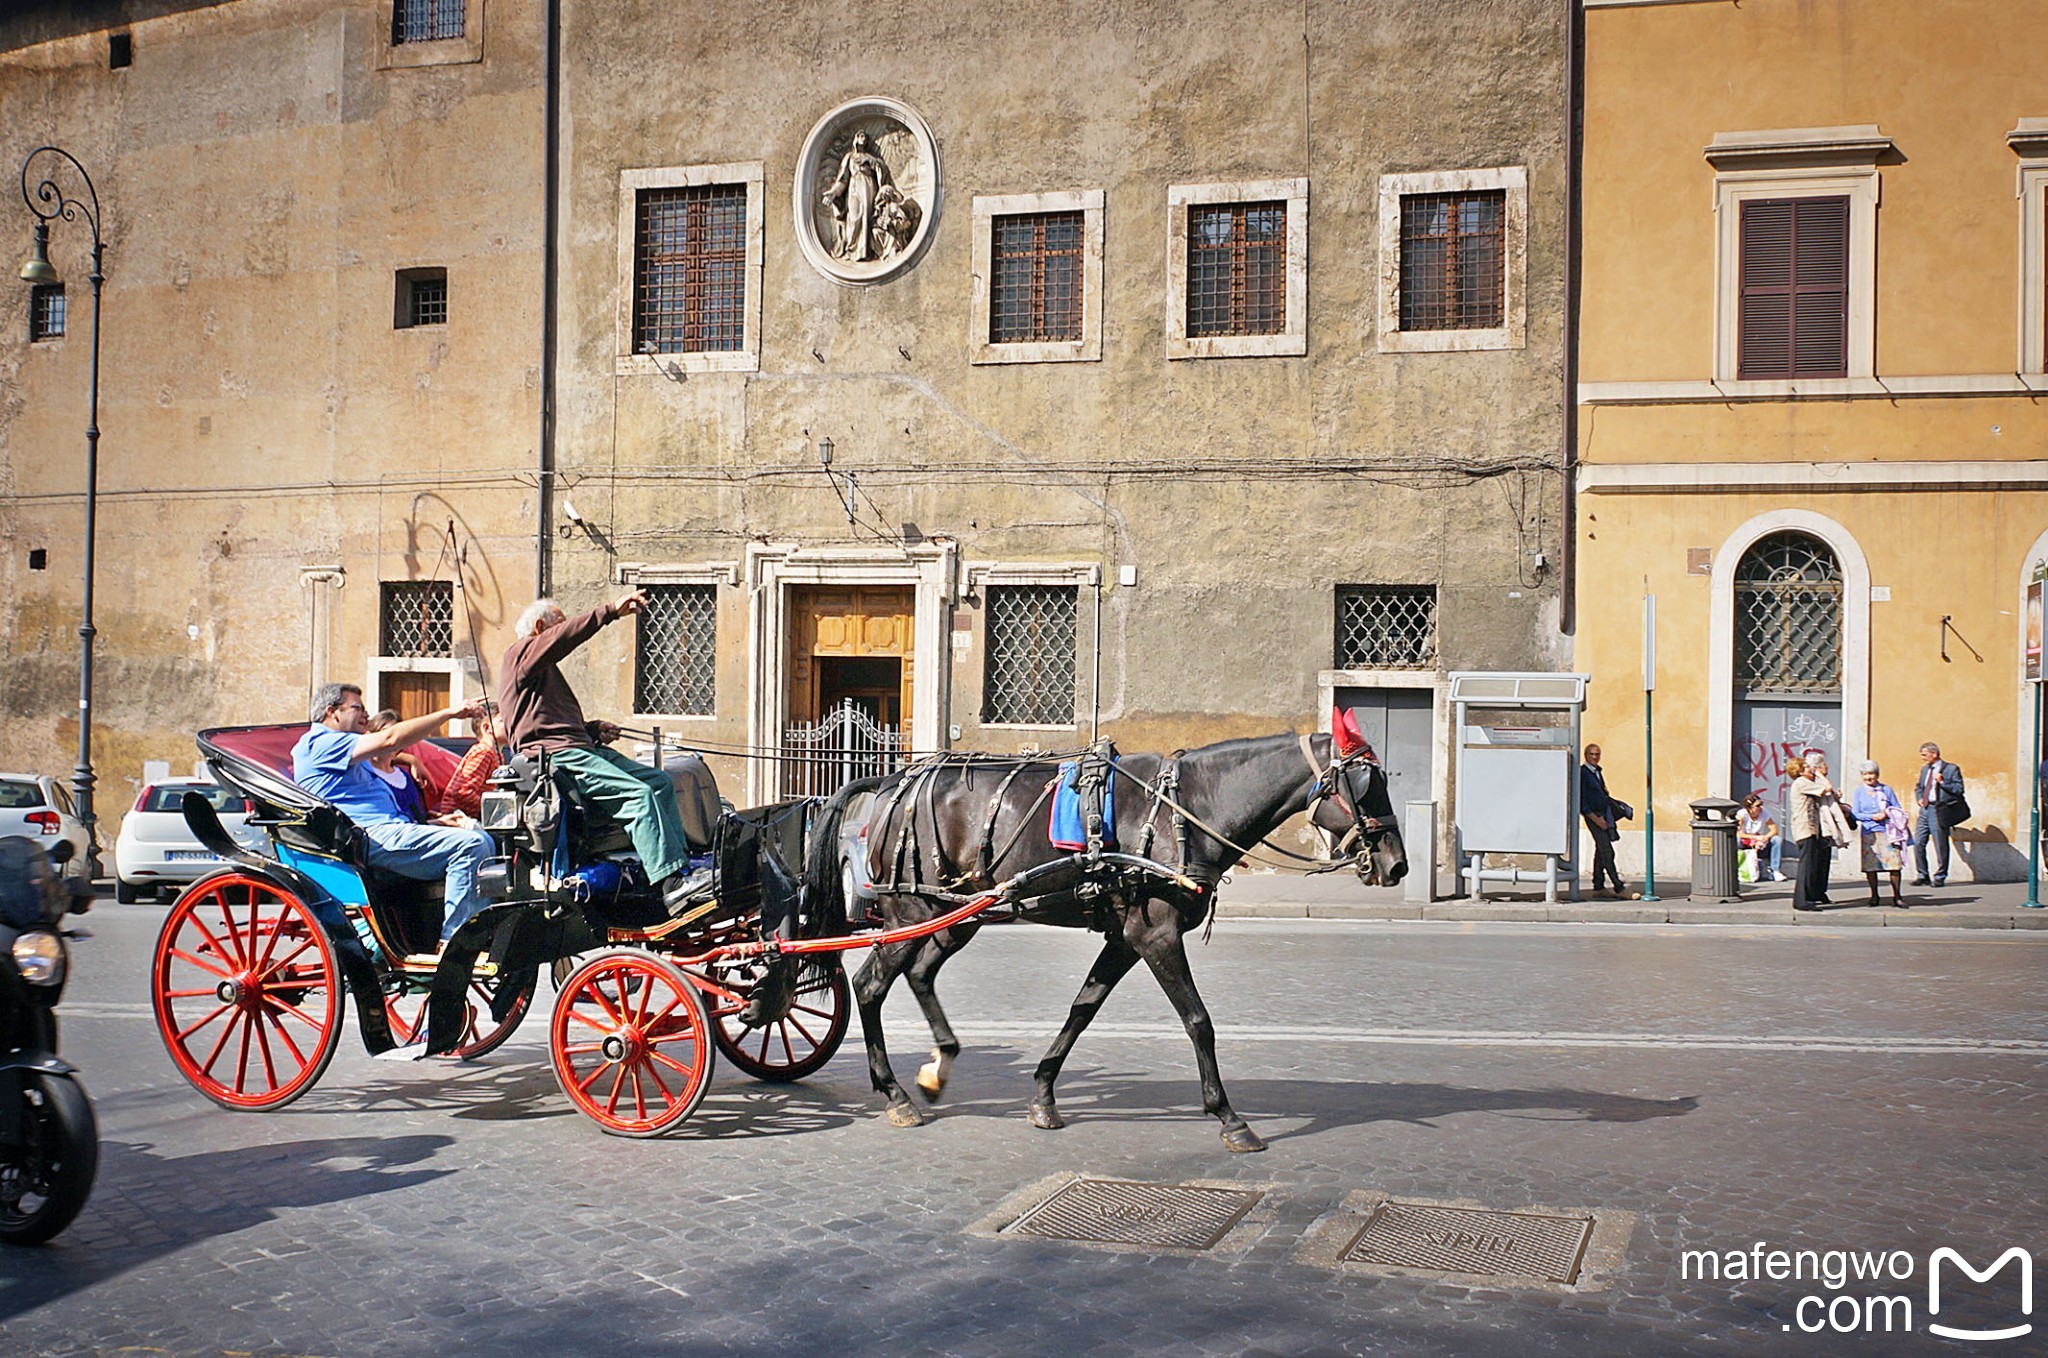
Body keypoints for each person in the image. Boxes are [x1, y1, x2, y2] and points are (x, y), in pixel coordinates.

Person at [498, 592, 697, 912]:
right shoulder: (519, 654)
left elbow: (545, 721)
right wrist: (609, 612)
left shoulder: (541, 672)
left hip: (580, 748)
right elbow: (563, 639)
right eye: (557, 627)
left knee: (659, 782)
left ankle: (680, 868)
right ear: (539, 628)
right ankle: (670, 883)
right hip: (557, 758)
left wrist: (591, 729)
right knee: (638, 796)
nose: (564, 636)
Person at [291, 683, 494, 949]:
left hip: (387, 831)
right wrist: (449, 713)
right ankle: (454, 942)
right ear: (332, 712)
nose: (365, 715)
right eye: (357, 708)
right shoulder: (321, 742)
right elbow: (389, 739)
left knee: (484, 838)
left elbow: (387, 754)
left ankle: (466, 927)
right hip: (368, 838)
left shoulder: (345, 748)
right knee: (470, 845)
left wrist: (411, 761)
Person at [1847, 761, 1907, 909]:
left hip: (1888, 831)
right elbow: (1855, 813)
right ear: (1862, 776)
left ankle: (1897, 896)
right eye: (1866, 774)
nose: (1869, 777)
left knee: (1894, 864)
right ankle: (1874, 895)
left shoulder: (1886, 790)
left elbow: (1897, 808)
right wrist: (1871, 817)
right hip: (1869, 832)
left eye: (1871, 774)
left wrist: (1885, 813)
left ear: (1877, 775)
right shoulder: (1859, 792)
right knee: (1871, 866)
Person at [1911, 741, 1966, 887]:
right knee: (1918, 843)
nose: (1923, 758)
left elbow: (1959, 789)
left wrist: (1942, 782)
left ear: (1934, 754)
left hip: (1939, 810)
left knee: (1940, 844)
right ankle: (1922, 874)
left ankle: (1940, 876)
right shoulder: (1925, 770)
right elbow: (1918, 787)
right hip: (1925, 810)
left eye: (1924, 755)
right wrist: (1920, 798)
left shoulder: (1951, 769)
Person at [435, 710, 504, 819]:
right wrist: (493, 810)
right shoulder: (483, 753)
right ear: (487, 728)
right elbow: (462, 792)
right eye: (503, 721)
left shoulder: (496, 755)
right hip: (459, 816)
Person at [1786, 754, 1833, 912]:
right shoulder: (1801, 783)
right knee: (1806, 866)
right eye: (1806, 767)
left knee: (1814, 864)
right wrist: (1820, 774)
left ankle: (1813, 895)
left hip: (1812, 829)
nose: (1810, 769)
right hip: (1804, 829)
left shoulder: (1806, 783)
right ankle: (1800, 900)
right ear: (1800, 772)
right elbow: (1827, 788)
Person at [365, 709, 431, 822]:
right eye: (386, 734)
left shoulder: (405, 777)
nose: (393, 742)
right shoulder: (363, 774)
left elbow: (417, 819)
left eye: (398, 737)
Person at [1579, 742, 1626, 897]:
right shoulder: (1583, 773)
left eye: (1597, 754)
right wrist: (1595, 818)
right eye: (1592, 754)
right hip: (1594, 815)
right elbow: (1582, 800)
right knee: (1607, 851)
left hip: (1604, 814)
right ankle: (1618, 885)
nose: (1595, 757)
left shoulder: (1597, 772)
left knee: (1601, 849)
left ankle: (1598, 884)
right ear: (1586, 756)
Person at [1737, 793, 1784, 882]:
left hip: (1761, 844)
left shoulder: (1764, 813)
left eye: (1761, 804)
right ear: (1749, 808)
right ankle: (1735, 867)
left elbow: (1774, 829)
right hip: (1745, 845)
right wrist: (1754, 838)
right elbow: (1738, 833)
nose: (1760, 808)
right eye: (1757, 806)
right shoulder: (1742, 814)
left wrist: (1765, 838)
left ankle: (1775, 870)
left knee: (1777, 840)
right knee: (1736, 840)